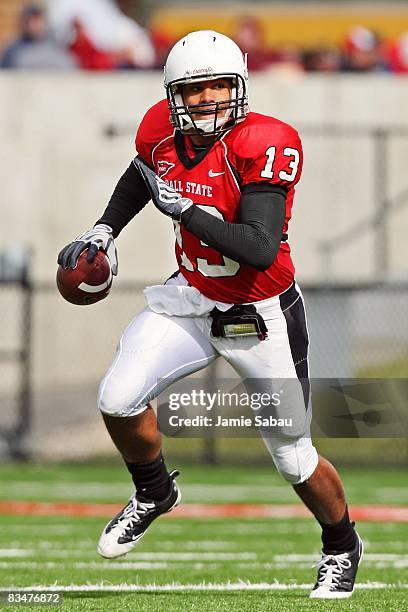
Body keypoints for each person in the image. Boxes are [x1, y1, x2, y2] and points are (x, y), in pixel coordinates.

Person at [58, 30, 363, 599]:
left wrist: (187, 211)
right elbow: (141, 174)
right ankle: (153, 491)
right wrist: (106, 226)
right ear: (175, 93)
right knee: (117, 398)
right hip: (193, 298)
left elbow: (258, 246)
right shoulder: (159, 129)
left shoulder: (265, 141)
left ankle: (342, 544)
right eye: (196, 88)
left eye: (221, 85)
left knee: (294, 458)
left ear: (240, 84)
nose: (209, 98)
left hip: (260, 310)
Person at [1, 3, 76, 70]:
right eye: (30, 19)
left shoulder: (58, 49)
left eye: (37, 19)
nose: (33, 25)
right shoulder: (12, 52)